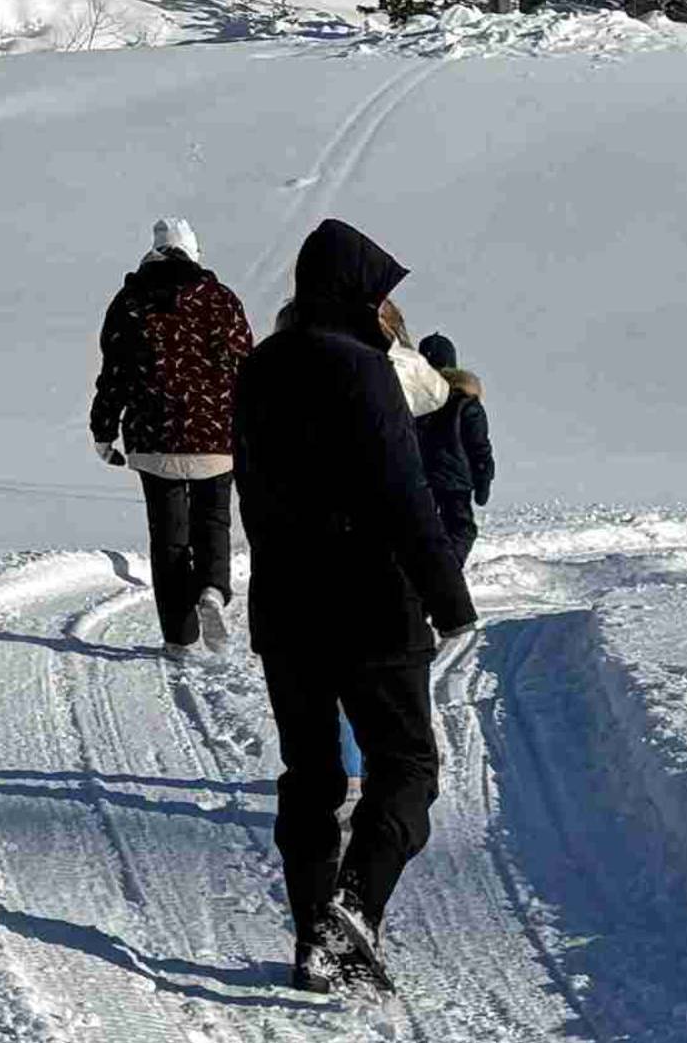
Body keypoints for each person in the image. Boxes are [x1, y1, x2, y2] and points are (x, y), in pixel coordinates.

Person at [233, 217, 476, 996]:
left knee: (310, 777)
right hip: (373, 604)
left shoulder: (258, 367)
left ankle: (315, 939)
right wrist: (451, 601)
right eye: (379, 292)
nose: (384, 306)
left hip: (286, 607)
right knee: (406, 767)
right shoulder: (364, 369)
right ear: (355, 293)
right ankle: (355, 907)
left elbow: (251, 494)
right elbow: (405, 496)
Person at [86, 216, 253, 649]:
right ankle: (213, 591)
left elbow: (115, 374)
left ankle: (179, 638)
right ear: (194, 252)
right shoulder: (221, 300)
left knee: (168, 537)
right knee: (214, 521)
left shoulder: (130, 301)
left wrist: (103, 432)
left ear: (155, 250)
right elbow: (245, 367)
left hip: (152, 434)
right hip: (216, 435)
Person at [414, 330, 494, 561]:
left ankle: (422, 581)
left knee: (420, 533)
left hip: (414, 480)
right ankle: (445, 580)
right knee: (460, 530)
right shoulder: (465, 404)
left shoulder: (408, 399)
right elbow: (479, 447)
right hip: (454, 483)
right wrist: (483, 479)